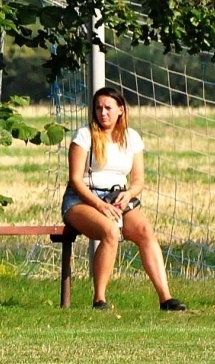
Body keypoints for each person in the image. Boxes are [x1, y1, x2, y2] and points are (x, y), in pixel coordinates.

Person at [62, 86, 187, 312]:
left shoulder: (132, 138)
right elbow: (75, 180)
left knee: (145, 230)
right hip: (83, 200)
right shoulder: (84, 135)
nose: (103, 113)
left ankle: (165, 299)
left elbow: (138, 180)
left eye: (108, 108)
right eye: (98, 108)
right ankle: (99, 299)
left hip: (117, 198)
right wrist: (99, 205)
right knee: (110, 231)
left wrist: (128, 194)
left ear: (121, 110)